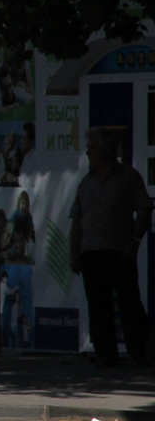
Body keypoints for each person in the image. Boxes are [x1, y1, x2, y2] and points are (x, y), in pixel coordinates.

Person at [69, 127, 153, 367]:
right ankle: (106, 356)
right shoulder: (86, 183)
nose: (87, 153)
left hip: (119, 252)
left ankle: (140, 355)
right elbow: (77, 220)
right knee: (98, 308)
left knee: (129, 305)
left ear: (105, 150)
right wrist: (74, 254)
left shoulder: (128, 177)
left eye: (91, 148)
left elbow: (145, 208)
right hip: (91, 254)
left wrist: (135, 242)